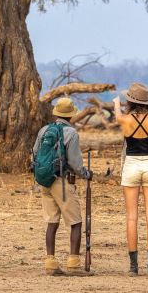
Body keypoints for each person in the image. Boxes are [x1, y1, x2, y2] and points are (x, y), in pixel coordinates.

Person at [32, 97, 93, 276]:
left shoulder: (44, 130)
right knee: (75, 222)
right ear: (71, 116)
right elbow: (75, 163)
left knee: (52, 221)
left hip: (44, 180)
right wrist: (86, 174)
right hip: (62, 183)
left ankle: (50, 262)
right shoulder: (71, 133)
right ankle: (73, 264)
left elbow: (34, 154)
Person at [113, 83, 148, 276]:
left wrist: (115, 104)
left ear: (130, 101)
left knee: (131, 217)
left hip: (131, 166)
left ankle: (133, 267)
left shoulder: (125, 120)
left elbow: (117, 116)